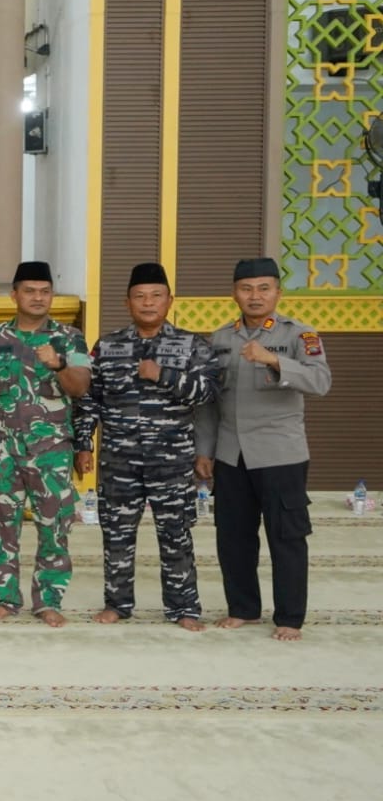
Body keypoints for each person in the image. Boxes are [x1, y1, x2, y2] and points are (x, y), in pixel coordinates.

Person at [73, 263, 218, 631]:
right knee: (116, 535)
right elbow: (90, 398)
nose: (148, 302)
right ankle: (117, 604)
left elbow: (207, 392)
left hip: (172, 461)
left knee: (176, 536)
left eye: (156, 296)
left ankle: (184, 607)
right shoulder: (107, 345)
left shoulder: (193, 344)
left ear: (170, 300)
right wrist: (83, 443)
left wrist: (162, 374)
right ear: (127, 302)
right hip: (118, 460)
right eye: (139, 296)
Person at [194, 257, 331, 642]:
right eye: (246, 289)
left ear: (278, 293)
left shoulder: (299, 335)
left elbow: (321, 381)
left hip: (279, 453)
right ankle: (243, 608)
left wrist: (274, 359)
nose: (255, 296)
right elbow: (209, 403)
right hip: (231, 453)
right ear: (234, 293)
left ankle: (290, 617)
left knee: (286, 536)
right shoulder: (220, 339)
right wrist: (203, 450)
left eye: (263, 288)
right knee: (233, 536)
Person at [0, 261, 91, 627]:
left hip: (51, 451)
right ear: (14, 295)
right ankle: (6, 598)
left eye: (45, 291)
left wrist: (59, 365)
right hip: (3, 449)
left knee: (54, 525)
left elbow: (81, 387)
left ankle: (48, 600)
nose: (38, 298)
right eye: (30, 291)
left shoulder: (70, 338)